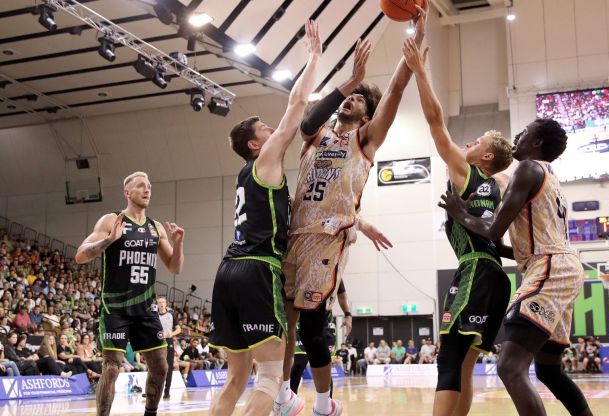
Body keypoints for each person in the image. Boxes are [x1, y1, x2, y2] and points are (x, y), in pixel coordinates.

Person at [277, 10, 425, 416]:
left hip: (327, 238)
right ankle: (282, 398)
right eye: (350, 96)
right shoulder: (318, 135)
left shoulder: (365, 139)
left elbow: (394, 94)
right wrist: (349, 80)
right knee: (283, 323)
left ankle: (325, 405)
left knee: (310, 326)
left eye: (358, 98)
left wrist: (409, 59)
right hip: (294, 233)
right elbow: (307, 118)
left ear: (367, 114)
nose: (351, 100)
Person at [206, 21, 322, 416]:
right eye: (264, 130)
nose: (273, 132)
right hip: (257, 269)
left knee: (235, 380)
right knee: (271, 378)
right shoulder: (266, 160)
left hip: (227, 271)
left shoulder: (245, 177)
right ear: (256, 145)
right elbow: (296, 106)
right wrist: (315, 57)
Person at [440, 119, 593, 416]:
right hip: (560, 266)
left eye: (525, 133)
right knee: (549, 370)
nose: (518, 136)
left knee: (510, 366)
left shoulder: (527, 168)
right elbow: (515, 244)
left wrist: (460, 213)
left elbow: (495, 229)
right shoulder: (549, 176)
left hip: (549, 267)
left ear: (536, 143)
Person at [403, 34, 515, 416]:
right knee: (466, 366)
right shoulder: (499, 189)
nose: (469, 140)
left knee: (449, 359)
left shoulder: (468, 173)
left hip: (475, 272)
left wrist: (420, 72)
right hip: (498, 277)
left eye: (477, 139)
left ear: (484, 156)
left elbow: (435, 122)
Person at [74, 170, 185, 416]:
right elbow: (81, 255)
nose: (147, 190)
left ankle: (150, 413)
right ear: (127, 192)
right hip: (116, 308)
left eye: (150, 186)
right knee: (111, 368)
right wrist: (109, 240)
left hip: (146, 308)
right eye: (141, 186)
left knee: (161, 367)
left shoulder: (156, 228)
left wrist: (178, 244)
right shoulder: (112, 220)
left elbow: (175, 267)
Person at [157, 296, 180, 399]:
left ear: (166, 304)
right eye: (159, 302)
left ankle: (167, 391)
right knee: (155, 367)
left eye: (163, 302)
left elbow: (178, 329)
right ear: (157, 304)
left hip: (168, 342)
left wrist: (172, 334)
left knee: (168, 368)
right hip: (157, 343)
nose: (161, 304)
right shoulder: (154, 316)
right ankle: (154, 390)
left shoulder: (171, 315)